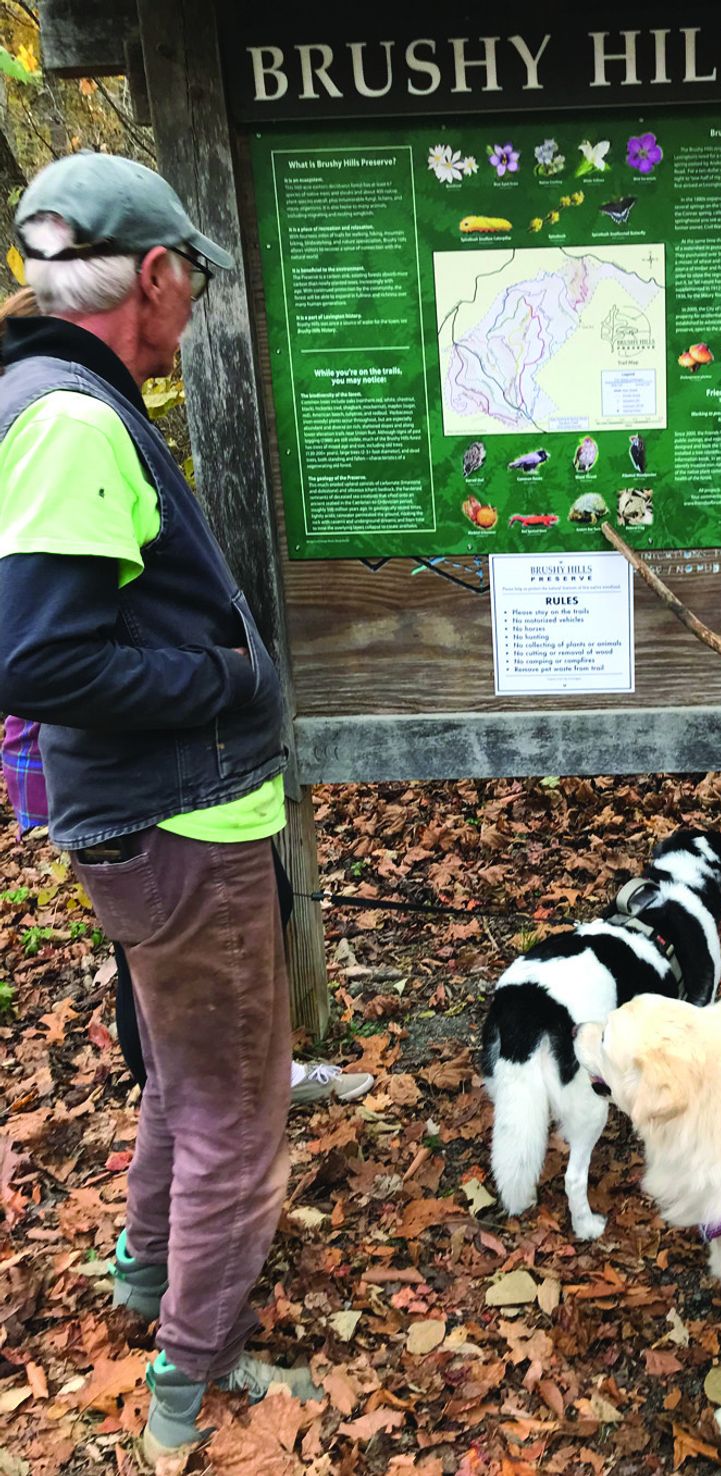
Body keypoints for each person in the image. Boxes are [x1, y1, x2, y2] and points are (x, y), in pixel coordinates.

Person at [0, 151, 317, 1463]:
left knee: (187, 1075)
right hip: (188, 831)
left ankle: (145, 1278)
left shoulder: (50, 395)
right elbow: (36, 657)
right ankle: (196, 1373)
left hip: (154, 827)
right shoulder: (74, 418)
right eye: (191, 277)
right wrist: (228, 676)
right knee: (240, 1106)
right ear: (156, 272)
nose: (192, 304)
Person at [1, 712, 373, 1106]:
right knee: (143, 956)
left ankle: (249, 1083)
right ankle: (181, 1115)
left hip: (184, 774)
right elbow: (38, 671)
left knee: (269, 900)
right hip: (123, 786)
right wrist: (216, 673)